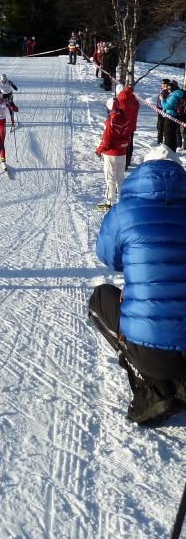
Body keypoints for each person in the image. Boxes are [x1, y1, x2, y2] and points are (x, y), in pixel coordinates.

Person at [88, 144, 186, 425]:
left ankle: (152, 386)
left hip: (154, 354)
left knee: (101, 298)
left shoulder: (124, 211)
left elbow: (108, 257)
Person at [95, 95, 133, 208]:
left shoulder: (111, 121)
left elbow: (106, 140)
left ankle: (110, 202)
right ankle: (122, 201)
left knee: (110, 178)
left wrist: (99, 150)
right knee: (120, 178)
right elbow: (128, 137)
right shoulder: (125, 119)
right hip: (122, 153)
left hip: (111, 154)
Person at [115, 82, 140, 170]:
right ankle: (127, 161)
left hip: (122, 126)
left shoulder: (121, 99)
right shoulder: (134, 99)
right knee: (129, 143)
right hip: (131, 126)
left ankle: (122, 164)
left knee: (122, 144)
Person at [163, 80, 185, 152]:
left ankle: (169, 150)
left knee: (168, 134)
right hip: (178, 116)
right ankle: (173, 149)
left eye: (169, 88)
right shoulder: (181, 93)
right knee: (174, 134)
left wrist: (162, 100)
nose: (168, 89)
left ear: (172, 87)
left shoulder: (174, 95)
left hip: (171, 116)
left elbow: (167, 106)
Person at [156, 79, 172, 144]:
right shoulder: (163, 91)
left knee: (161, 127)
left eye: (162, 83)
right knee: (160, 127)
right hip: (160, 111)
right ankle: (160, 140)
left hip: (162, 112)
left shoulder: (165, 92)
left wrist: (160, 107)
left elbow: (162, 103)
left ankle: (160, 141)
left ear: (165, 84)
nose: (161, 84)